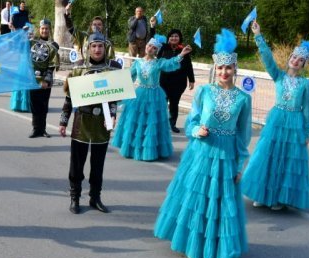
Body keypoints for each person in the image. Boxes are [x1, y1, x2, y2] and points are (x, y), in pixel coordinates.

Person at [154, 29, 252, 258]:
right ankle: (195, 248)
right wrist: (197, 130)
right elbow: (192, 121)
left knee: (220, 202)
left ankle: (216, 247)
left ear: (235, 69)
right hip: (201, 152)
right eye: (220, 68)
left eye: (228, 68)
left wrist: (241, 164)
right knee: (197, 199)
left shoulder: (243, 99)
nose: (224, 72)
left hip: (226, 154)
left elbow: (243, 135)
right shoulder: (204, 91)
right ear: (214, 69)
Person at [242, 21, 309, 211]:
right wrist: (258, 35)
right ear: (290, 58)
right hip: (276, 120)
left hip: (295, 123)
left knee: (286, 159)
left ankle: (279, 198)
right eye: (294, 57)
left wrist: (306, 132)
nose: (296, 61)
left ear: (304, 64)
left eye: (300, 60)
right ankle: (262, 194)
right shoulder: (279, 76)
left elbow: (307, 109)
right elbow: (267, 59)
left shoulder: (306, 84)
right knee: (269, 156)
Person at [59, 31, 122, 214]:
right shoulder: (79, 68)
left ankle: (95, 197)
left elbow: (113, 99)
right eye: (94, 46)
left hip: (102, 123)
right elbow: (69, 98)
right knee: (77, 164)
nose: (97, 49)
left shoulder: (112, 69)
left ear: (105, 48)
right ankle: (75, 197)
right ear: (88, 48)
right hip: (82, 122)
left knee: (98, 164)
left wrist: (112, 115)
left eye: (100, 46)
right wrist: (63, 121)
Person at [112, 35, 192, 161]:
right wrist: (112, 82)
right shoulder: (137, 63)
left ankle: (151, 150)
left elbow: (170, 63)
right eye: (149, 46)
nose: (150, 49)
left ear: (157, 51)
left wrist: (181, 54)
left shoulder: (159, 63)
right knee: (137, 122)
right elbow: (127, 78)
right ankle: (134, 149)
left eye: (154, 48)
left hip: (155, 95)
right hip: (140, 94)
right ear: (146, 46)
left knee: (151, 123)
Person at [158, 29, 195, 133]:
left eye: (176, 36)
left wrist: (191, 80)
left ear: (179, 38)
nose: (174, 38)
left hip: (179, 82)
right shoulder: (163, 48)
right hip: (164, 81)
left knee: (174, 104)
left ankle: (172, 124)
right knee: (162, 103)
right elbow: (157, 61)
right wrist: (152, 27)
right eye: (172, 36)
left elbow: (188, 65)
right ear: (168, 38)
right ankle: (161, 123)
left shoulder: (184, 50)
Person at [28, 19, 60, 138]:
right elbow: (20, 48)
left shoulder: (53, 45)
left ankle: (43, 129)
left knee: (43, 105)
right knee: (34, 105)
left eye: (46, 28)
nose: (44, 31)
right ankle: (36, 129)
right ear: (39, 29)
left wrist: (46, 80)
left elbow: (52, 65)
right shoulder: (32, 42)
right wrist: (21, 34)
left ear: (49, 30)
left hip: (46, 80)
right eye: (42, 28)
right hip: (33, 79)